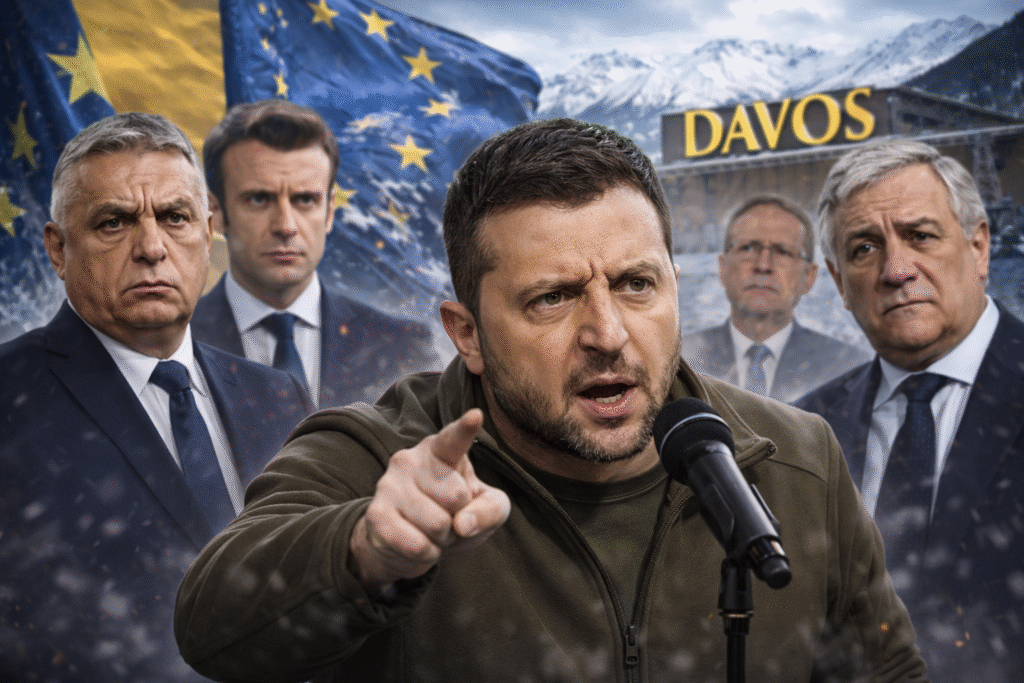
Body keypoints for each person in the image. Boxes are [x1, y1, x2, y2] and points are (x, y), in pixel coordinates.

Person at [175, 119, 926, 683]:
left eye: (636, 284)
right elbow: (212, 623)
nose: (607, 333)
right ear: (466, 333)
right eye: (553, 298)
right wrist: (364, 553)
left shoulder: (798, 459)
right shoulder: (381, 458)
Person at [0, 113, 311, 682]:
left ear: (209, 230)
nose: (151, 247)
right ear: (56, 248)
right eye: (114, 222)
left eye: (174, 217)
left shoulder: (280, 397)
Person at [795, 138, 1024, 682]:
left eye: (920, 236)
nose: (896, 269)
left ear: (979, 247)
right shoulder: (802, 433)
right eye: (864, 249)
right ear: (839, 283)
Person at [191, 99, 440, 409]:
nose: (285, 226)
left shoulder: (402, 346)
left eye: (305, 200)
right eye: (259, 199)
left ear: (330, 210)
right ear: (215, 213)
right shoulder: (170, 345)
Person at [682, 195, 870, 402]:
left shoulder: (850, 370)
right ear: (722, 269)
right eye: (748, 247)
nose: (763, 265)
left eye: (783, 251)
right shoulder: (680, 363)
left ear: (808, 277)